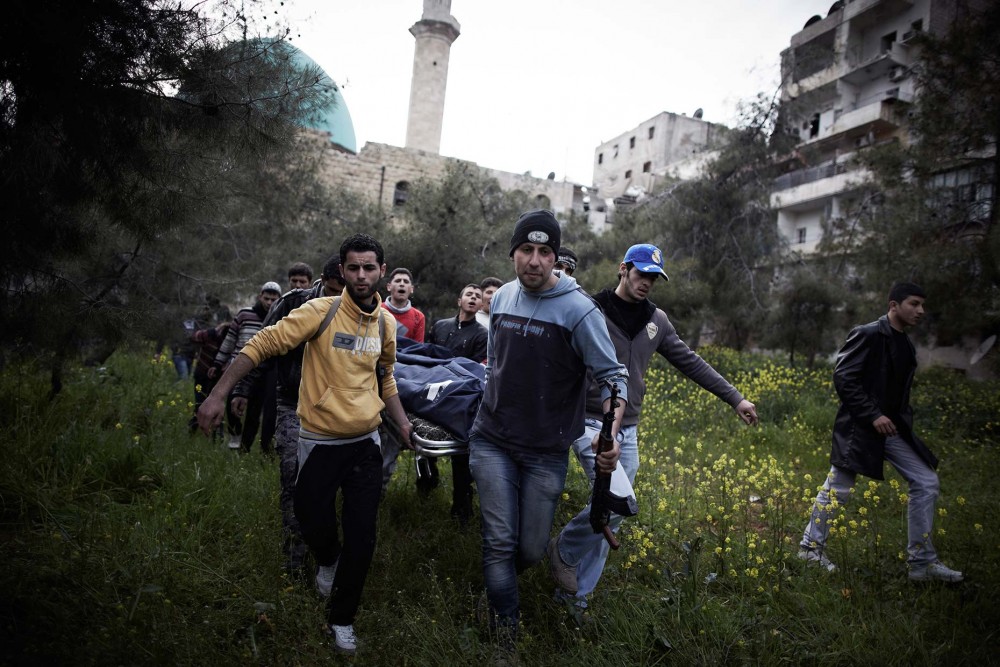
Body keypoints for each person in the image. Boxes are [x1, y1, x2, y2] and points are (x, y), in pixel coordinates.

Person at [198, 234, 412, 655]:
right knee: (310, 518)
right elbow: (262, 343)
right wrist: (219, 393)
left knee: (363, 535)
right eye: (354, 268)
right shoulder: (321, 311)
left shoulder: (386, 324)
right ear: (343, 270)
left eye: (369, 268)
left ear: (382, 272)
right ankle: (328, 559)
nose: (362, 275)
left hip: (366, 441)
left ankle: (342, 619)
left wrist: (402, 424)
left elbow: (385, 376)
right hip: (319, 440)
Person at [550, 243, 759, 606]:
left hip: (628, 429)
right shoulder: (592, 308)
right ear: (623, 268)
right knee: (615, 502)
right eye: (641, 274)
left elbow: (690, 361)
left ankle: (575, 598)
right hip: (590, 421)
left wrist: (735, 397)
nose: (646, 282)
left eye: (653, 278)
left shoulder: (656, 320)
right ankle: (564, 550)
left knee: (613, 513)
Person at [468, 209, 628, 656]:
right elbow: (495, 365)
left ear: (556, 258)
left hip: (545, 450)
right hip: (492, 439)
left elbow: (614, 378)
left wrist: (610, 434)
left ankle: (502, 585)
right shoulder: (502, 298)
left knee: (532, 550)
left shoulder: (579, 310)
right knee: (500, 541)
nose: (534, 261)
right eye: (526, 250)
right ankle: (505, 636)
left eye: (544, 251)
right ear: (513, 253)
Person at [798, 282, 962, 582]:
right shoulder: (869, 333)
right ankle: (809, 550)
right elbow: (844, 378)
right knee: (838, 489)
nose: (921, 311)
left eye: (922, 305)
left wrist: (893, 421)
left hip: (891, 430)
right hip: (861, 429)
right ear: (893, 305)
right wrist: (873, 415)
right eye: (914, 303)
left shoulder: (906, 344)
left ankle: (922, 564)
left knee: (926, 481)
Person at [230, 256, 345, 575]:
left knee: (329, 485)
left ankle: (326, 557)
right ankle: (295, 560)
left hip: (335, 408)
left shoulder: (359, 307)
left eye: (344, 292)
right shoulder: (293, 303)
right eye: (332, 290)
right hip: (292, 402)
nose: (337, 299)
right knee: (294, 476)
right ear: (321, 280)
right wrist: (243, 389)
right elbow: (263, 346)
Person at [424, 283, 489, 524]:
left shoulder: (482, 334)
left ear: (480, 305)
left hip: (460, 398)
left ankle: (462, 507)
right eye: (468, 294)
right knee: (424, 445)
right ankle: (427, 483)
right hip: (430, 391)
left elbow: (475, 371)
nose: (473, 298)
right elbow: (426, 356)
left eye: (477, 296)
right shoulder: (440, 326)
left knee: (461, 453)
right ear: (459, 301)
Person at [211, 282, 281, 451]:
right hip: (238, 368)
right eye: (266, 298)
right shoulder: (244, 314)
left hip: (262, 372)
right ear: (260, 296)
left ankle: (245, 447)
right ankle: (234, 434)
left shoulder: (280, 317)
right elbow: (230, 340)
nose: (269, 303)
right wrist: (218, 363)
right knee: (232, 403)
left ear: (279, 299)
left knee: (254, 412)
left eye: (273, 299)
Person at [257, 262, 316, 456]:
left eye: (302, 281)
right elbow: (266, 336)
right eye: (294, 281)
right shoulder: (284, 303)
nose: (298, 285)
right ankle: (267, 450)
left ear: (310, 282)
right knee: (271, 409)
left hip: (309, 372)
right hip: (281, 368)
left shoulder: (318, 304)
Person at [382, 268, 425, 342]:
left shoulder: (419, 317)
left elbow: (418, 347)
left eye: (406, 281)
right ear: (389, 287)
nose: (402, 284)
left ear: (411, 289)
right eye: (397, 281)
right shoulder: (377, 310)